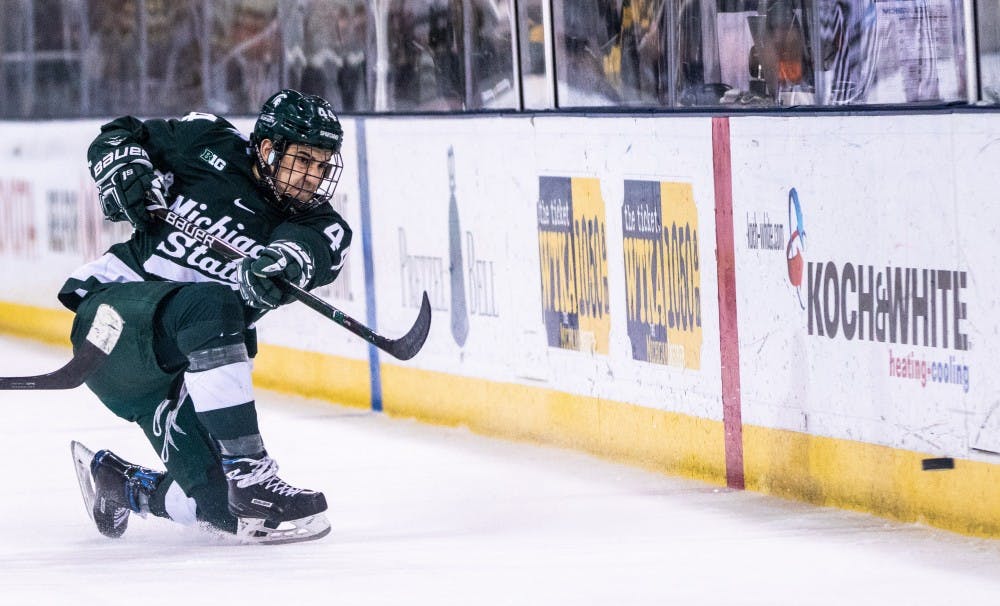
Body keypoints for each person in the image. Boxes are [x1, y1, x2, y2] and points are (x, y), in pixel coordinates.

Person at [62, 89, 352, 544]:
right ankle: (250, 471)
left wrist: (283, 260)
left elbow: (311, 250)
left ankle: (122, 484)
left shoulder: (322, 226)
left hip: (175, 379)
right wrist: (126, 171)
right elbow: (120, 135)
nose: (313, 177)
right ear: (268, 148)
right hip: (113, 324)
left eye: (322, 165)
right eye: (303, 160)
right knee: (214, 302)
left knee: (224, 511)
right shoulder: (207, 140)